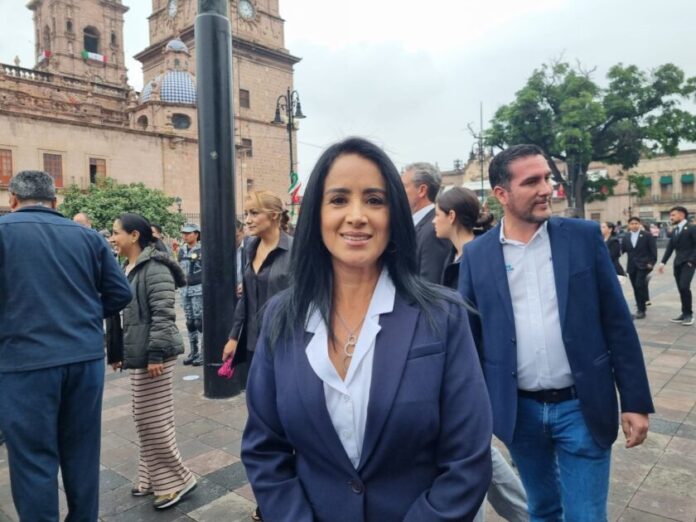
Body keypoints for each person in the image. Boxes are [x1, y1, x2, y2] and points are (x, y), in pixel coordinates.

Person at [242, 137, 492, 521]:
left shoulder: (444, 316)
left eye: (374, 200)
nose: (357, 215)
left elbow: (468, 459)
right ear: (316, 214)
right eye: (339, 199)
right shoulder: (281, 316)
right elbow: (264, 449)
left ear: (394, 215)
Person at [458, 144, 654, 521]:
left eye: (547, 178)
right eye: (531, 181)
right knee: (542, 509)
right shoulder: (478, 255)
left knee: (586, 515)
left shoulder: (582, 238)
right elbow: (471, 338)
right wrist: (472, 410)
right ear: (501, 194)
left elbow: (617, 322)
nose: (546, 189)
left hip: (581, 406)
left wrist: (634, 400)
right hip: (519, 412)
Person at [0, 171, 132, 521]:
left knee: (32, 457)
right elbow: (121, 293)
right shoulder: (88, 237)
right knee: (82, 451)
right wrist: (84, 316)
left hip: (24, 361)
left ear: (13, 200)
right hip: (84, 357)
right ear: (55, 201)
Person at [433, 186, 528, 522]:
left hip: (476, 372)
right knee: (475, 451)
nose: (433, 222)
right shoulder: (453, 257)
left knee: (473, 451)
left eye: (437, 214)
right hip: (458, 369)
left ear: (451, 216)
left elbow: (492, 322)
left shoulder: (481, 258)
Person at [108, 212, 197, 510]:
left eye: (116, 232)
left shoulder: (155, 268)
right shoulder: (127, 266)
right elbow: (122, 314)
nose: (112, 238)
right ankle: (152, 477)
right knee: (144, 417)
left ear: (134, 235)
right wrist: (117, 352)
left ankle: (178, 480)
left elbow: (163, 314)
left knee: (153, 420)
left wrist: (156, 354)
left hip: (155, 355)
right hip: (140, 353)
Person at [222, 192, 293, 521]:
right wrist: (234, 335)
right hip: (254, 346)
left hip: (287, 345)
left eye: (254, 213)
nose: (248, 219)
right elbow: (246, 299)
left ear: (275, 215)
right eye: (247, 213)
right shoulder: (249, 248)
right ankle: (269, 496)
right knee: (261, 421)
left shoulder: (296, 251)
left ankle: (292, 491)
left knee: (290, 419)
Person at [401, 162, 451, 283]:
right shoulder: (417, 225)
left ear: (422, 190)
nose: (398, 192)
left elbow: (430, 285)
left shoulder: (435, 229)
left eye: (403, 187)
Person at [658, 206, 696, 325]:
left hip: (688, 263)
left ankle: (689, 315)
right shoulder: (675, 230)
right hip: (677, 263)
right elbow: (670, 247)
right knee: (681, 289)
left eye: (673, 215)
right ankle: (684, 313)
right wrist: (663, 262)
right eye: (670, 215)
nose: (671, 217)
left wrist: (692, 261)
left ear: (682, 215)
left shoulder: (692, 228)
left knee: (684, 287)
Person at [621, 217, 657, 320]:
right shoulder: (626, 236)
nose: (634, 225)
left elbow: (653, 250)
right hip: (631, 266)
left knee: (639, 285)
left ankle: (642, 310)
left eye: (636, 223)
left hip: (643, 265)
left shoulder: (647, 235)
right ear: (629, 225)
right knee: (636, 287)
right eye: (632, 224)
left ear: (639, 224)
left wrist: (651, 263)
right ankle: (640, 306)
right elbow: (622, 250)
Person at [178, 223, 203, 365]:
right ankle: (194, 351)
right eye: (184, 233)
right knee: (190, 322)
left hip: (198, 288)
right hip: (185, 289)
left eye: (188, 233)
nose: (185, 236)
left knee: (200, 321)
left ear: (196, 234)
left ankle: (204, 352)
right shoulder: (182, 250)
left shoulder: (202, 250)